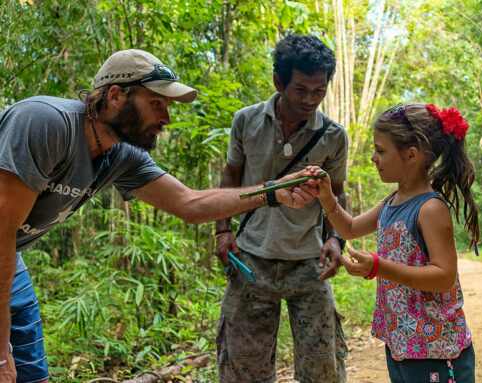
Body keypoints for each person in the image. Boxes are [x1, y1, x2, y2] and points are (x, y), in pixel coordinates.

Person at [0, 49, 319, 383]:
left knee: (30, 375)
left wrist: (271, 192)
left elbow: (190, 203)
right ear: (114, 96)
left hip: (11, 262)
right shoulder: (45, 123)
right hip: (4, 252)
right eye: (156, 103)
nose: (166, 117)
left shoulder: (120, 155)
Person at [309, 103, 479, 382]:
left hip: (435, 347)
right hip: (402, 341)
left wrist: (379, 267)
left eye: (381, 150)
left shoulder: (430, 208)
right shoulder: (391, 202)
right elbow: (350, 228)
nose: (374, 158)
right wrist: (327, 198)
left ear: (411, 155)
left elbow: (444, 276)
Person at [215, 34, 349, 383]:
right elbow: (229, 177)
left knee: (323, 369)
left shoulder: (334, 136)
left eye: (318, 91)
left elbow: (337, 194)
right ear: (278, 82)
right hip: (251, 261)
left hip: (309, 262)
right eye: (301, 90)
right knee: (244, 369)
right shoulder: (246, 121)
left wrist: (336, 240)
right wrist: (223, 230)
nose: (310, 100)